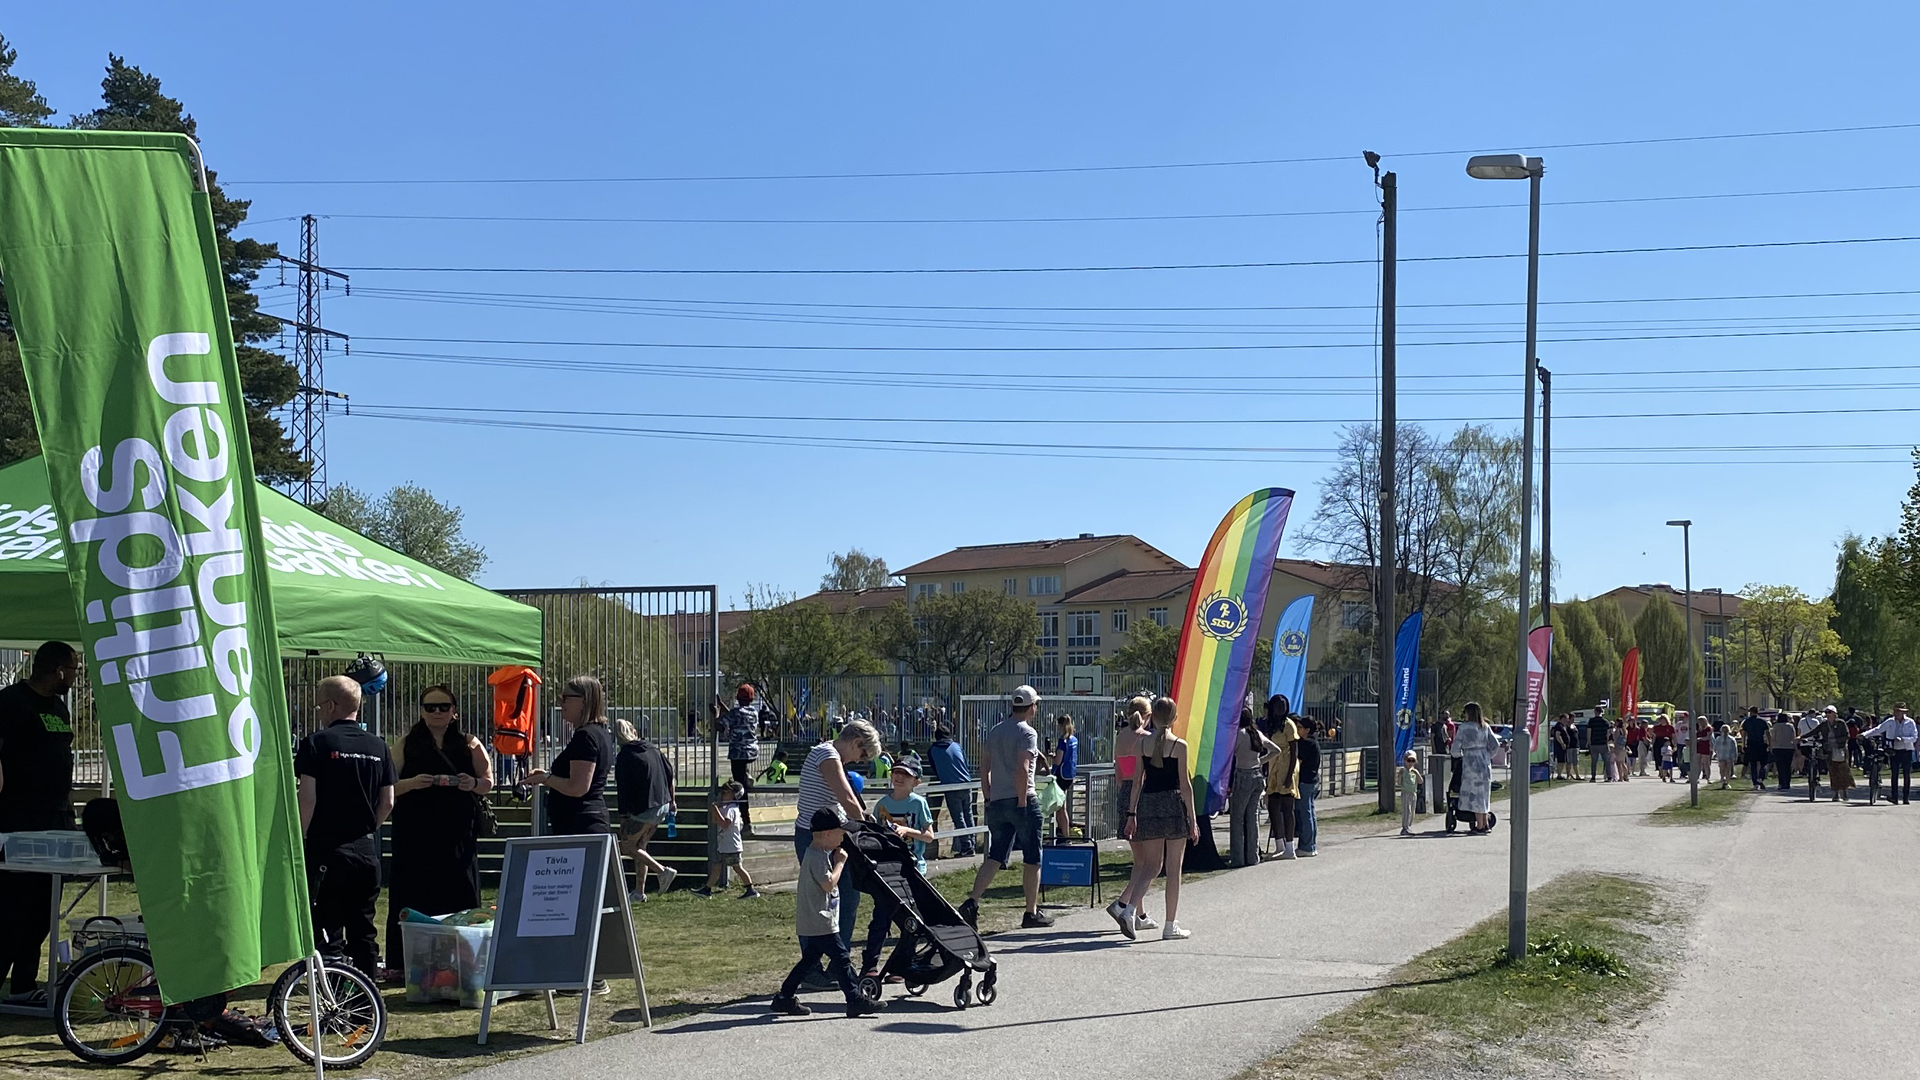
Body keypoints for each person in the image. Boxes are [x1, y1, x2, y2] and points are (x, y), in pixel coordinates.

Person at [385, 684, 493, 979]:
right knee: (411, 890)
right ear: (421, 711)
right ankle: (402, 963)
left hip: (457, 831)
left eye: (442, 707)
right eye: (430, 707)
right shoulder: (406, 742)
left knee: (459, 890)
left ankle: (464, 960)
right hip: (414, 832)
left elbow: (487, 781)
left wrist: (470, 783)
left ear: (454, 711)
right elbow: (389, 784)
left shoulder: (470, 743)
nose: (436, 713)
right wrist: (412, 783)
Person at [296, 675, 396, 978]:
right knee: (363, 930)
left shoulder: (316, 743)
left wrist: (301, 837)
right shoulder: (379, 746)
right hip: (365, 850)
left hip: (327, 850)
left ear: (330, 705)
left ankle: (334, 996)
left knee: (327, 928)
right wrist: (368, 828)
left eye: (319, 706)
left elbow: (307, 799)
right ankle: (367, 1002)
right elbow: (388, 801)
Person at [0, 641, 81, 1003]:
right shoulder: (11, 703)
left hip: (57, 818)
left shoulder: (58, 708)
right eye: (74, 669)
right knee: (14, 907)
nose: (76, 677)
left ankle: (23, 985)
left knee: (45, 908)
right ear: (58, 670)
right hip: (20, 818)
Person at [768, 809, 880, 1019]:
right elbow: (828, 884)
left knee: (809, 961)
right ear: (827, 833)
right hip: (820, 919)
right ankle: (855, 1000)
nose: (843, 838)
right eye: (840, 833)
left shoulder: (819, 854)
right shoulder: (817, 856)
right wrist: (840, 862)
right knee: (842, 959)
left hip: (818, 918)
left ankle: (784, 997)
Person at [959, 686, 1054, 931]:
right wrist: (1022, 801)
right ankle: (1030, 911)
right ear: (1032, 706)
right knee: (1033, 858)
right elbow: (1023, 769)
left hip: (998, 801)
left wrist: (988, 796)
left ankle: (972, 901)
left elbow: (984, 767)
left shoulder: (996, 730)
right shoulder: (1027, 733)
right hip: (1022, 799)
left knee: (995, 856)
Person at [793, 720, 881, 953]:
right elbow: (847, 799)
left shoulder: (834, 758)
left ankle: (838, 957)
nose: (859, 760)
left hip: (834, 837)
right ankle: (811, 966)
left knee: (848, 896)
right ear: (856, 742)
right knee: (817, 900)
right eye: (862, 754)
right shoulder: (827, 755)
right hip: (815, 838)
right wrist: (865, 829)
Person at [1118, 696, 1200, 941]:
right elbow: (1186, 787)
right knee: (1173, 868)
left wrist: (1132, 813)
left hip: (1148, 804)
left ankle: (1130, 909)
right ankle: (1170, 924)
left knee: (1151, 865)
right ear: (1175, 718)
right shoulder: (1179, 746)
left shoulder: (1142, 744)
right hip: (1173, 804)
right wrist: (1192, 820)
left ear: (1152, 717)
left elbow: (1136, 783)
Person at [863, 763, 935, 980]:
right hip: (886, 869)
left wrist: (907, 830)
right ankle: (870, 965)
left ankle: (902, 964)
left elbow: (929, 835)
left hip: (912, 867)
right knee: (880, 918)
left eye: (906, 774)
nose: (899, 777)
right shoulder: (882, 804)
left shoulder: (919, 803)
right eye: (896, 773)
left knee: (911, 920)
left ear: (916, 782)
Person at [528, 675, 616, 836]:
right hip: (582, 823)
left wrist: (545, 778)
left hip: (581, 826)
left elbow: (578, 787)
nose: (561, 703)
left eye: (565, 698)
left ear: (583, 700)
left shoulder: (586, 736)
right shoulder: (598, 732)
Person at [1105, 698, 1162, 933]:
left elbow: (1118, 772)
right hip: (1141, 793)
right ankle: (1123, 903)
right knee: (1149, 862)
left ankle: (1140, 913)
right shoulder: (1147, 738)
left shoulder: (1121, 737)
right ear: (1148, 716)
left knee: (1139, 860)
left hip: (1124, 793)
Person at [613, 718, 678, 901]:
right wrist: (672, 801)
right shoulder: (652, 749)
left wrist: (623, 818)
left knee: (627, 845)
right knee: (640, 847)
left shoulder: (625, 756)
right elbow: (669, 775)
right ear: (633, 730)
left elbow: (623, 790)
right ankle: (639, 892)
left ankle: (662, 871)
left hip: (645, 808)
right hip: (662, 804)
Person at [1226, 706, 1279, 867]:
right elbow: (1275, 750)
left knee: (1237, 819)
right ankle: (1253, 856)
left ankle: (1237, 858)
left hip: (1243, 775)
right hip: (1257, 775)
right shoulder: (1256, 733)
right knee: (1252, 818)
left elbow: (1229, 753)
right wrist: (1260, 761)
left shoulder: (1239, 735)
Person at [717, 684, 768, 837]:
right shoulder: (754, 712)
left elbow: (720, 725)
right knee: (742, 776)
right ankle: (747, 775)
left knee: (740, 789)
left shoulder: (733, 713)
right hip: (752, 751)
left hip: (738, 752)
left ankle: (747, 822)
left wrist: (716, 714)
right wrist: (722, 706)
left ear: (737, 698)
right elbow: (737, 716)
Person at [694, 781, 758, 899]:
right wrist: (715, 809)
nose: (723, 794)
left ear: (734, 795)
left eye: (726, 792)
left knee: (737, 867)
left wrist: (716, 810)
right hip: (724, 844)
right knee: (717, 866)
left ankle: (751, 889)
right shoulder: (725, 808)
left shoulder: (731, 809)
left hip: (731, 844)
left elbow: (724, 824)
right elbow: (715, 820)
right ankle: (707, 890)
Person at [925, 727, 975, 858]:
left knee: (958, 818)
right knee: (968, 814)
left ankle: (967, 847)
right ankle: (972, 843)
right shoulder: (957, 746)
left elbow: (935, 769)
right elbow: (965, 762)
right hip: (966, 783)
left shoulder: (932, 750)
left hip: (951, 786)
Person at [1263, 697, 1302, 860]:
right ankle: (1278, 844)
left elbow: (1294, 752)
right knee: (1273, 804)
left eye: (1283, 706)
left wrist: (1289, 775)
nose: (1280, 708)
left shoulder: (1288, 724)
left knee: (1287, 807)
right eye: (1277, 706)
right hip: (1274, 766)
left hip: (1287, 765)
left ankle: (1289, 846)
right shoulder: (1271, 724)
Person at [1860, 702, 1917, 805]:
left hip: (1906, 750)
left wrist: (1903, 739)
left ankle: (1905, 798)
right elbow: (1878, 730)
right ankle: (1894, 797)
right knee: (1894, 774)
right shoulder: (1890, 722)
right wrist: (1865, 734)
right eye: (1895, 711)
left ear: (1903, 712)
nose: (1896, 713)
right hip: (1894, 750)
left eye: (1899, 711)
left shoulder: (1910, 722)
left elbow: (1914, 737)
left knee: (1906, 774)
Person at [1455, 702, 1495, 833]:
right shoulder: (1485, 727)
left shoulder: (1464, 728)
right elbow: (1495, 745)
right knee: (1484, 794)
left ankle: (1479, 825)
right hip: (1484, 761)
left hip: (1471, 761)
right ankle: (1485, 823)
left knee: (1475, 795)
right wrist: (1488, 754)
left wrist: (1457, 754)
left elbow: (1456, 747)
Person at [1806, 706, 1855, 802]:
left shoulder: (1841, 723)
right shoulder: (1824, 724)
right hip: (1829, 751)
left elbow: (1847, 736)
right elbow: (1814, 731)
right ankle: (1836, 793)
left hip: (1840, 750)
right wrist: (1800, 736)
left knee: (1843, 771)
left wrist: (1835, 741)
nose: (1828, 714)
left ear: (1835, 714)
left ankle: (1844, 792)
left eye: (1830, 712)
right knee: (1833, 772)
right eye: (1826, 713)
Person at [1294, 717, 1322, 857]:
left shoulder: (1307, 743)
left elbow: (1298, 762)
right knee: (1310, 812)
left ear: (1307, 730)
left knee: (1305, 813)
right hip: (1312, 780)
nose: (1297, 730)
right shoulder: (1314, 743)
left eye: (1299, 727)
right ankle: (1310, 844)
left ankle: (1306, 845)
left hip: (1305, 781)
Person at [1051, 715, 1079, 840]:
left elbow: (1058, 760)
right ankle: (1061, 831)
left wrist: (1052, 756)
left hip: (1061, 775)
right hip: (1069, 774)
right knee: (1060, 805)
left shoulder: (1063, 741)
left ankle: (1065, 836)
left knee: (1061, 807)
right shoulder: (1074, 739)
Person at [1429, 709, 1455, 814]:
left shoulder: (1444, 726)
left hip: (1445, 752)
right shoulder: (1435, 726)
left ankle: (1444, 799)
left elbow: (1447, 738)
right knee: (1437, 775)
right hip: (1438, 752)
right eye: (1445, 716)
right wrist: (1434, 750)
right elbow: (1432, 738)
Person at [1768, 711, 1799, 792]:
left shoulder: (1776, 726)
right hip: (1789, 747)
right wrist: (1796, 748)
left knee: (1780, 766)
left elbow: (1773, 738)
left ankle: (1781, 783)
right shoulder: (1790, 726)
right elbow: (1794, 737)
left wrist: (1771, 747)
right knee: (1788, 766)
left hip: (1778, 747)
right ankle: (1787, 783)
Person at [1741, 706, 1771, 790]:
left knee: (1753, 764)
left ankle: (1755, 783)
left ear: (1750, 712)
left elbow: (1744, 735)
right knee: (1763, 763)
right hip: (1761, 744)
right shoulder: (1763, 721)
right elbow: (1768, 733)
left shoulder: (1747, 722)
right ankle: (1761, 777)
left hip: (1751, 744)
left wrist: (1743, 745)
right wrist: (1770, 744)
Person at [1397, 751, 1422, 836]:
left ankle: (1408, 826)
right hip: (1405, 792)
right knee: (1407, 810)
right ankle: (1405, 827)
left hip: (1413, 793)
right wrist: (1400, 775)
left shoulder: (1414, 772)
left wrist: (1417, 773)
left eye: (1413, 761)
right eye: (1409, 760)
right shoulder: (1403, 771)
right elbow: (1399, 782)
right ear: (1405, 760)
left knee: (1412, 812)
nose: (1410, 763)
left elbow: (1420, 781)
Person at [1712, 724, 1740, 790]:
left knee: (1724, 770)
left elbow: (1734, 749)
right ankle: (1725, 782)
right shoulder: (1723, 739)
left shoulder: (1725, 739)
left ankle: (1725, 782)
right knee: (1725, 770)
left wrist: (1716, 753)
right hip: (1725, 756)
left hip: (1725, 756)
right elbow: (1734, 749)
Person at [1586, 711, 1612, 782]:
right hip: (1603, 743)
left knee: (1594, 761)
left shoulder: (1591, 721)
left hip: (1594, 743)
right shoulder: (1605, 721)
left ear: (1595, 712)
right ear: (1602, 712)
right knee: (1606, 760)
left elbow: (1589, 731)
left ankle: (1593, 777)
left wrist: (1589, 741)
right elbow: (1608, 733)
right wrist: (1607, 741)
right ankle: (1609, 776)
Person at [1611, 717, 1631, 783]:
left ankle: (1620, 777)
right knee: (1622, 762)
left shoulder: (1617, 730)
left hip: (1618, 747)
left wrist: (1614, 747)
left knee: (1618, 763)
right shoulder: (1625, 730)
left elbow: (1616, 739)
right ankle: (1626, 776)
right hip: (1623, 747)